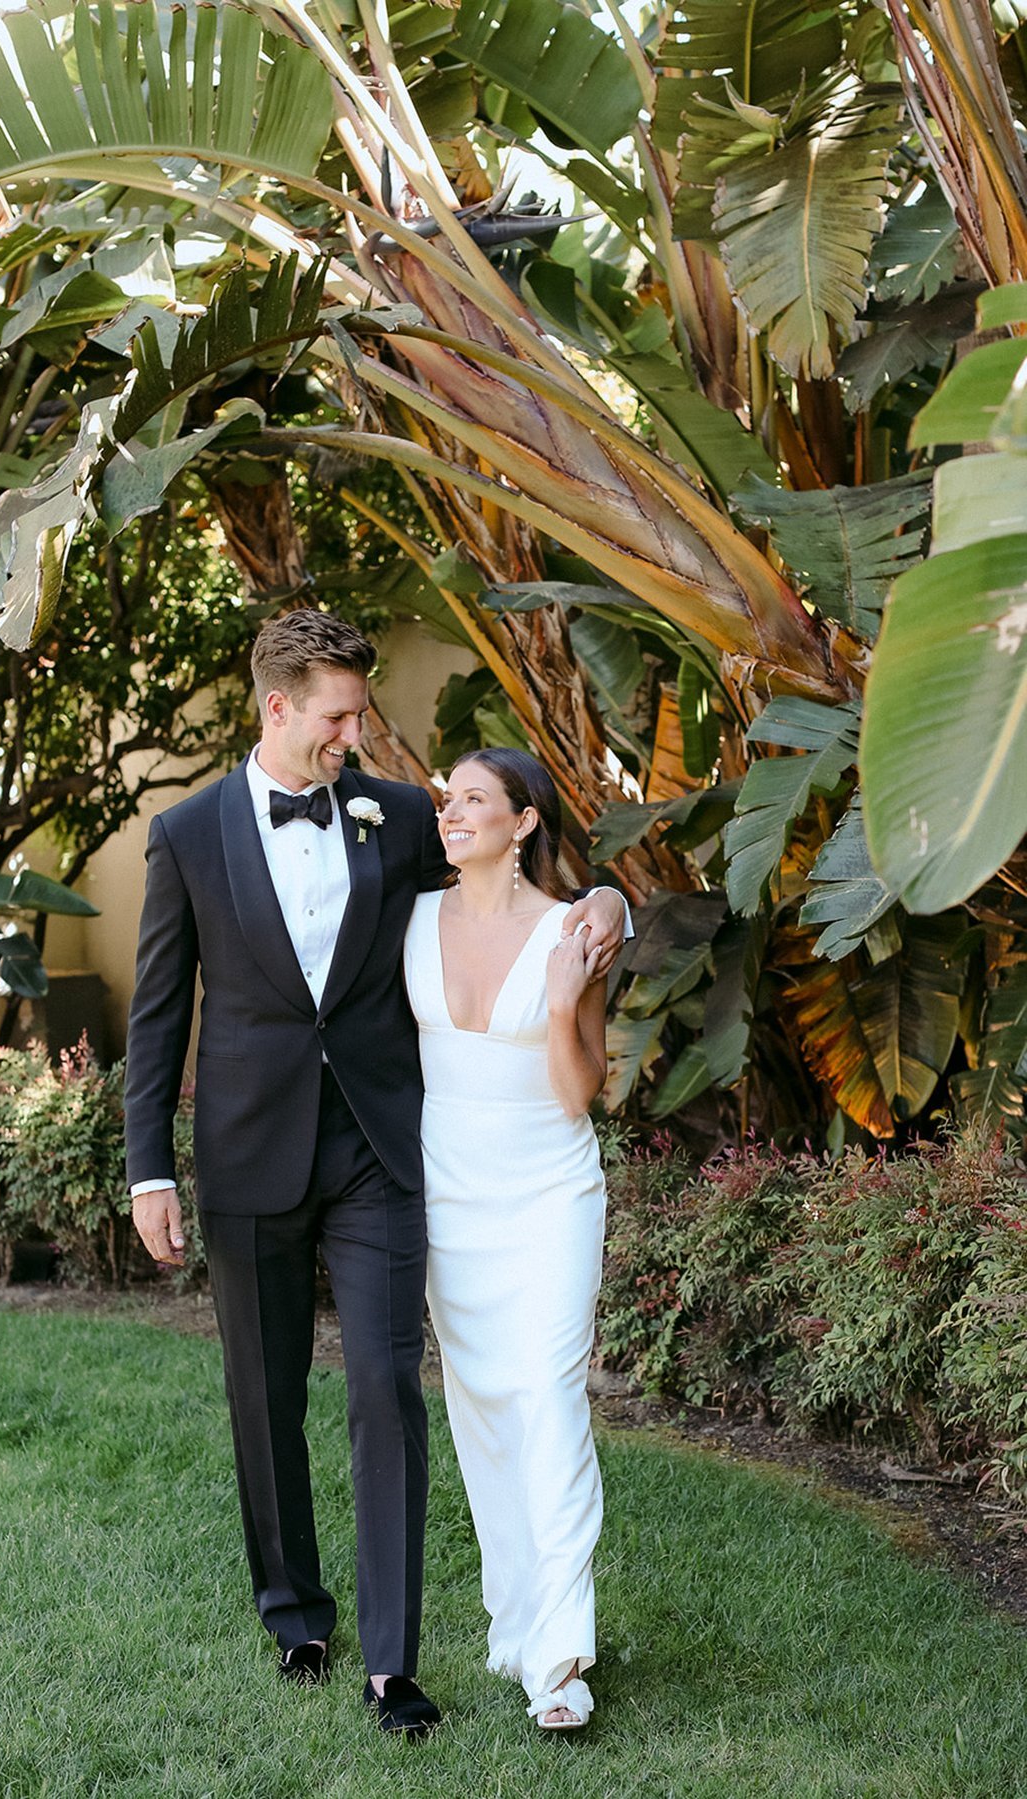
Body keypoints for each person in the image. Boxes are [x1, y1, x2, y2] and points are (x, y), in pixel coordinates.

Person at [123, 610, 628, 1738]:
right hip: (249, 1150)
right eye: (342, 713)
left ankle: (393, 1661)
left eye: (359, 709)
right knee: (266, 1394)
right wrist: (147, 1162)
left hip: (381, 1157)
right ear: (280, 707)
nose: (359, 732)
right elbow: (157, 1015)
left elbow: (528, 883)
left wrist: (610, 903)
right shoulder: (188, 833)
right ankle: (297, 1611)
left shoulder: (399, 814)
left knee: (386, 1388)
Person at [402, 747, 618, 1734]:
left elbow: (581, 1094)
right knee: (483, 1408)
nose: (453, 811)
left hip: (549, 1190)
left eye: (475, 798)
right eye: (448, 798)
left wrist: (568, 997)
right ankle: (520, 1621)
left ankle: (564, 1653)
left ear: (523, 820)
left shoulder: (571, 930)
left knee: (548, 1391)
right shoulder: (406, 917)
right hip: (450, 1194)